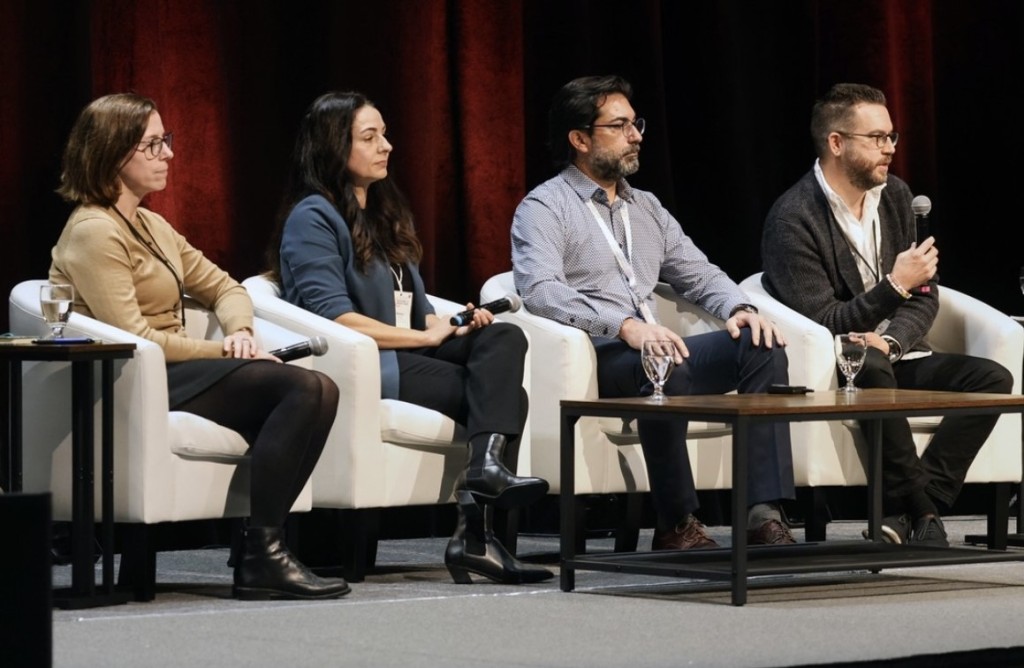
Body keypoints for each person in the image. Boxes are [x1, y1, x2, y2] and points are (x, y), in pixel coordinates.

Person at [49, 93, 350, 600]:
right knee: (301, 389)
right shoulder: (93, 232)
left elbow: (226, 288)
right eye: (152, 144)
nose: (168, 153)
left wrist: (241, 333)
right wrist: (225, 354)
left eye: (165, 141)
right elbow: (136, 337)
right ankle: (262, 555)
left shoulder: (152, 225)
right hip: (133, 378)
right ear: (112, 152)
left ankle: (261, 548)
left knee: (319, 387)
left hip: (180, 369)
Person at [264, 91, 553, 585]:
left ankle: (483, 477)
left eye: (385, 134)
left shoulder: (385, 212)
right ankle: (477, 539)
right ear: (334, 147)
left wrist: (454, 323)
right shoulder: (312, 218)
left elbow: (417, 314)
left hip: (406, 349)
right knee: (509, 399)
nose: (387, 146)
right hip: (368, 364)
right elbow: (335, 319)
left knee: (502, 337)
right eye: (370, 137)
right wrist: (421, 340)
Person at [512, 74, 797, 549]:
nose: (636, 135)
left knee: (761, 345)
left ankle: (763, 512)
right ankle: (675, 522)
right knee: (666, 363)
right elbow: (539, 291)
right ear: (580, 139)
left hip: (661, 349)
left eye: (635, 123)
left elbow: (698, 273)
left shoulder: (645, 207)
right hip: (598, 353)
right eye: (620, 125)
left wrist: (739, 307)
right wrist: (623, 326)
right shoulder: (544, 207)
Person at [760, 82, 1013, 547]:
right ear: (836, 143)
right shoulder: (792, 218)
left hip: (895, 354)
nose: (890, 148)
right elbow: (826, 319)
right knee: (870, 362)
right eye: (876, 138)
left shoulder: (896, 196)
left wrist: (895, 339)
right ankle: (921, 510)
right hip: (838, 365)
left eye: (891, 136)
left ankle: (918, 506)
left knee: (992, 379)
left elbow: (923, 295)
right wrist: (893, 287)